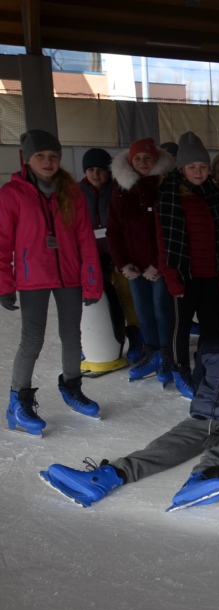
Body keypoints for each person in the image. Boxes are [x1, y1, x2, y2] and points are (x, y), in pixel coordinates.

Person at [40, 302, 219, 509]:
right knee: (163, 446)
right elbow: (199, 379)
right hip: (200, 418)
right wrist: (203, 406)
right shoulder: (211, 347)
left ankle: (202, 479)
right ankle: (106, 478)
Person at [1, 129, 104, 435]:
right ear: (27, 159)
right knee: (32, 339)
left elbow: (86, 240)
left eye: (53, 156)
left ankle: (72, 387)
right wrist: (5, 284)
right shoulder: (12, 193)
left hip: (69, 276)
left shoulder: (71, 193)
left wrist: (91, 282)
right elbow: (3, 241)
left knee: (72, 335)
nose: (48, 161)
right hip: (33, 278)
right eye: (41, 156)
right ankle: (17, 403)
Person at [155, 131, 219, 398]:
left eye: (203, 167)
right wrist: (172, 277)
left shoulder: (213, 194)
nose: (198, 172)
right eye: (192, 167)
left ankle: (206, 367)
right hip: (184, 274)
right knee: (180, 326)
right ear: (182, 168)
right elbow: (164, 240)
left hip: (209, 274)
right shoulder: (171, 194)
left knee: (211, 325)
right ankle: (179, 368)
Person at [107, 136, 177, 384]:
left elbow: (170, 229)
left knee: (162, 310)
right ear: (130, 161)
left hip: (158, 266)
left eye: (148, 158)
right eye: (138, 158)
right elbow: (113, 230)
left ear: (156, 159)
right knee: (142, 311)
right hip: (134, 267)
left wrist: (159, 264)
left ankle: (168, 356)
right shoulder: (121, 189)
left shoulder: (165, 185)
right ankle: (152, 353)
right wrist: (122, 263)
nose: (143, 162)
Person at [80, 147, 142, 364]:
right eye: (91, 170)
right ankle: (91, 338)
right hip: (92, 256)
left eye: (100, 170)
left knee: (126, 295)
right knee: (94, 300)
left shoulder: (119, 189)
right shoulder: (77, 192)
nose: (95, 175)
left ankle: (135, 336)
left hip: (117, 253)